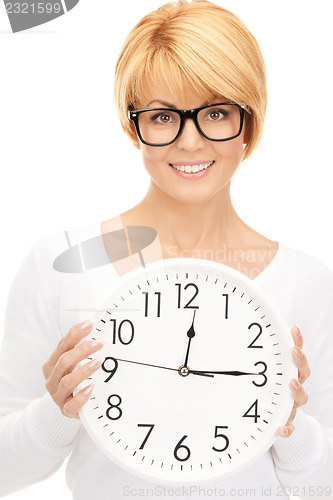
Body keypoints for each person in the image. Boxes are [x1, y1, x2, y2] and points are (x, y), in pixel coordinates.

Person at [0, 0, 332, 499]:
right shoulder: (59, 265)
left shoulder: (308, 283)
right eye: (163, 117)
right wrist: (59, 409)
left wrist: (290, 422)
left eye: (216, 112)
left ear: (250, 123)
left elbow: (323, 483)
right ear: (134, 126)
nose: (191, 142)